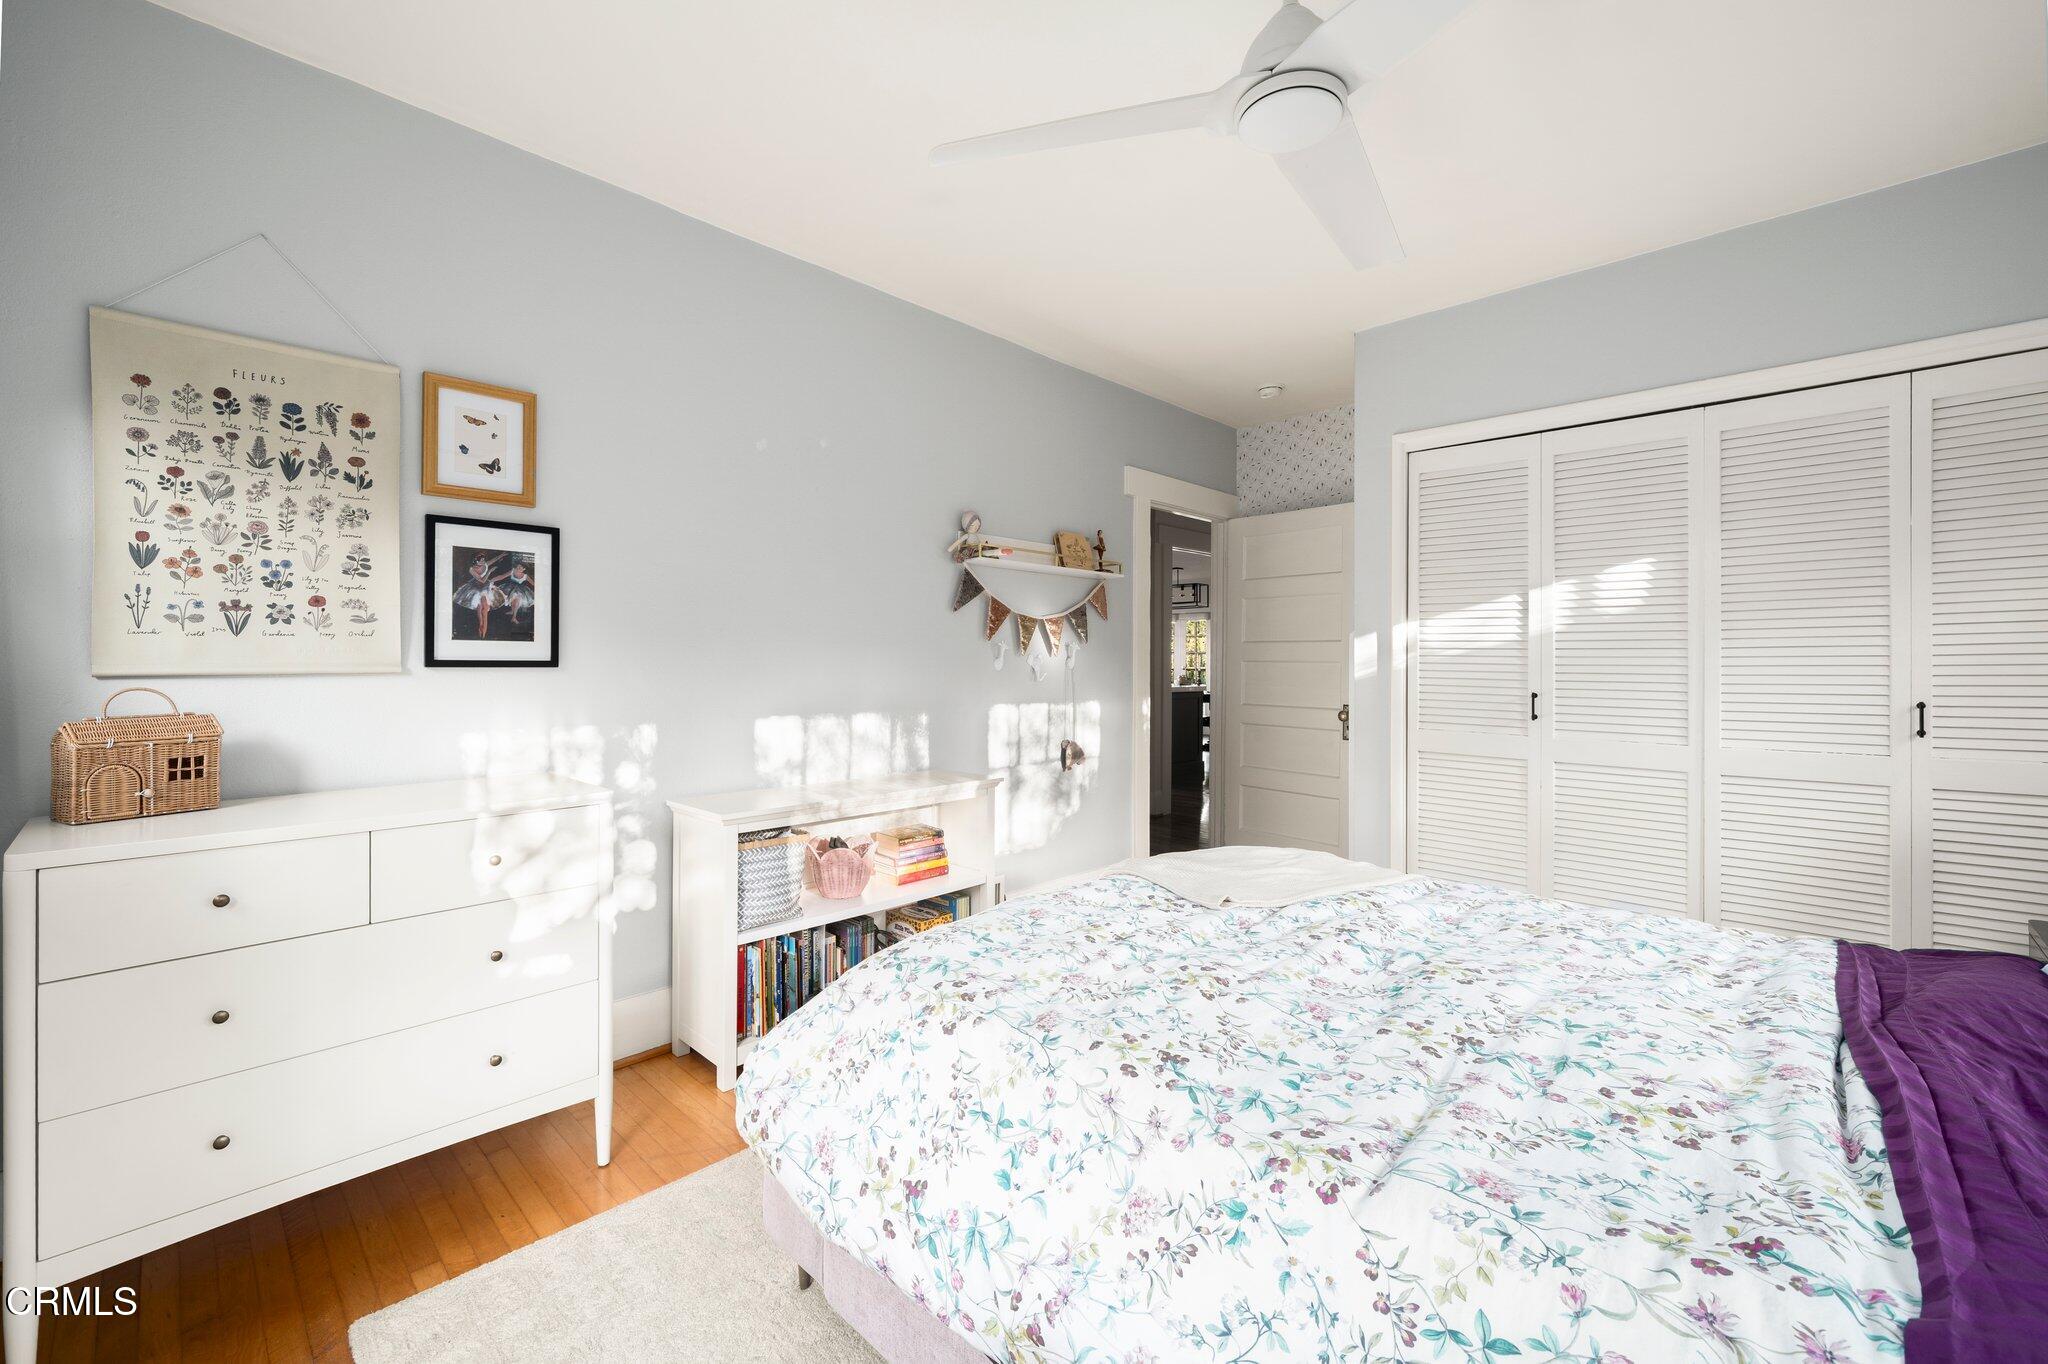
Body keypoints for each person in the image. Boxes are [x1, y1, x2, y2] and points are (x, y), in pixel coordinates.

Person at [452, 551, 507, 638]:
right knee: (479, 606)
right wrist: (489, 572)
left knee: (485, 608)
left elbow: (494, 560)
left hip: (486, 588)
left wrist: (501, 555)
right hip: (475, 587)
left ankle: (484, 630)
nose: (483, 562)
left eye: (483, 560)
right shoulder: (471, 569)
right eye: (481, 560)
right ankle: (481, 623)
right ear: (475, 561)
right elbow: (482, 580)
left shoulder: (485, 564)